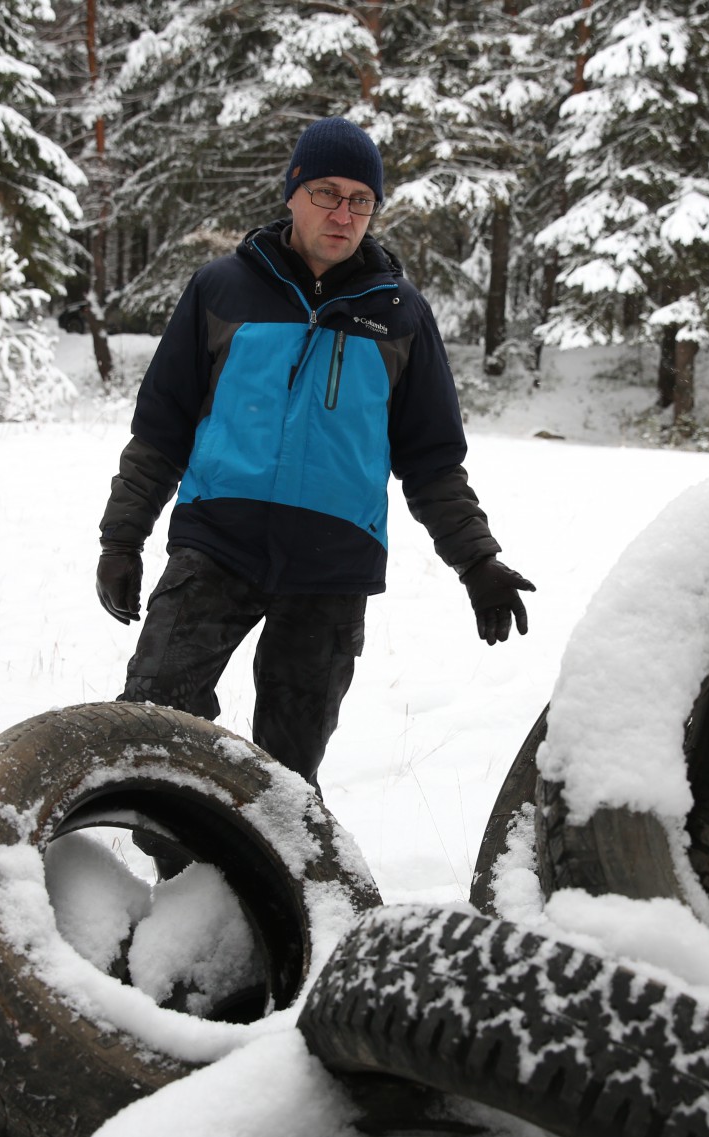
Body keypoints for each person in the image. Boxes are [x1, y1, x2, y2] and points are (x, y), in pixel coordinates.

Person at [94, 115, 534, 794]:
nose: (344, 212)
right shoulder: (221, 290)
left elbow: (432, 460)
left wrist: (477, 560)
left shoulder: (401, 316)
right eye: (327, 192)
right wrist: (123, 537)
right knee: (154, 725)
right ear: (292, 192)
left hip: (332, 567)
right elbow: (162, 429)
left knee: (286, 777)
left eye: (361, 199)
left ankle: (267, 895)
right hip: (217, 544)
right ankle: (183, 881)